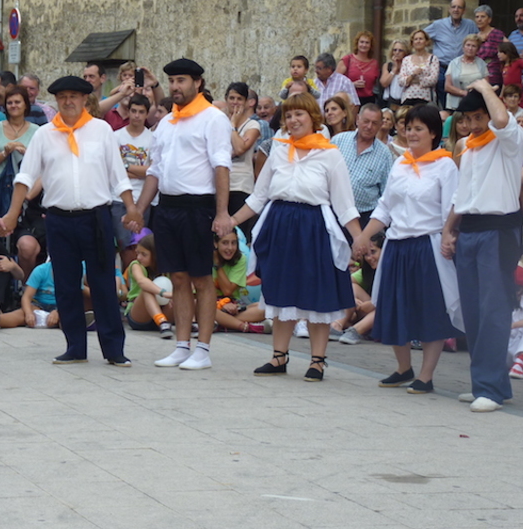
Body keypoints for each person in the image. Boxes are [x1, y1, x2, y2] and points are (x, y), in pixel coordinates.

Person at [0, 75, 143, 366]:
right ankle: (75, 346)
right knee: (65, 285)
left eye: (73, 96)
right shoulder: (45, 134)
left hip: (96, 216)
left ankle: (113, 349)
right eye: (62, 97)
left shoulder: (101, 130)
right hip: (59, 218)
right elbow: (25, 176)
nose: (68, 102)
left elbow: (117, 174)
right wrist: (13, 213)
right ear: (56, 101)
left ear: (84, 99)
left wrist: (131, 208)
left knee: (103, 283)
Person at [231, 93, 362, 381]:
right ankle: (279, 356)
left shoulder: (329, 154)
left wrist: (359, 237)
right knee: (281, 291)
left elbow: (344, 203)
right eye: (288, 116)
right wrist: (231, 221)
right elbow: (259, 196)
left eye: (299, 114)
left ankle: (317, 361)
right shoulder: (279, 150)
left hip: (314, 228)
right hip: (280, 225)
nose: (293, 120)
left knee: (317, 293)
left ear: (313, 117)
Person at [352, 104, 462, 394]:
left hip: (427, 245)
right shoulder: (400, 163)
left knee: (429, 309)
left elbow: (452, 207)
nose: (412, 134)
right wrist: (363, 237)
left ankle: (426, 375)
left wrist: (449, 236)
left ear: (433, 133)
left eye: (418, 129)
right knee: (394, 306)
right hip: (397, 245)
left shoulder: (445, 165)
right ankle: (403, 368)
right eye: (408, 128)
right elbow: (385, 207)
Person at [133, 59, 232, 370]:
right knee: (177, 277)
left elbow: (221, 166)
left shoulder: (213, 118)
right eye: (172, 81)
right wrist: (139, 209)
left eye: (181, 80)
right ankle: (181, 344)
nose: (175, 86)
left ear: (197, 83)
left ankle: (203, 349)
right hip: (168, 207)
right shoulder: (166, 122)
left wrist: (222, 213)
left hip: (198, 206)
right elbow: (155, 171)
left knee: (202, 278)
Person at [441, 79, 523, 412]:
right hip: (470, 230)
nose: (474, 124)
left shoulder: (510, 139)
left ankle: (489, 388)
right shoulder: (467, 145)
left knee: (493, 310)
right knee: (474, 311)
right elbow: (462, 194)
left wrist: (484, 87)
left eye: (479, 117)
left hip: (498, 230)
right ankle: (490, 383)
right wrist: (449, 229)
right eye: (469, 119)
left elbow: (501, 120)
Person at [332, 103, 393, 228]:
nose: (369, 127)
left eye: (374, 123)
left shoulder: (385, 154)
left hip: (363, 218)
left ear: (380, 125)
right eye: (366, 121)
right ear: (357, 119)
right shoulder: (338, 141)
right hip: (333, 212)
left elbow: (386, 193)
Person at [113, 94, 154, 270]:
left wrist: (126, 167)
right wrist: (140, 171)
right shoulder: (115, 136)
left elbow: (152, 171)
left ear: (147, 114)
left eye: (141, 112)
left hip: (143, 198)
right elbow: (112, 170)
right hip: (118, 198)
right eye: (134, 111)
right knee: (124, 246)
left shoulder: (153, 138)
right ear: (128, 112)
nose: (137, 115)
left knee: (140, 245)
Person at [0, 85, 39, 212]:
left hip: (25, 189)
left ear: (25, 105)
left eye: (17, 102)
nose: (13, 106)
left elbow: (40, 164)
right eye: (10, 103)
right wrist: (6, 152)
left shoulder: (36, 130)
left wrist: (24, 151)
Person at [424, 0, 479, 108]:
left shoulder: (470, 25)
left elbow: (479, 40)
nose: (456, 10)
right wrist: (424, 57)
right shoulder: (438, 25)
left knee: (463, 100)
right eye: (453, 7)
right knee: (445, 101)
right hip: (443, 68)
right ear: (449, 9)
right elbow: (420, 37)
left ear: (464, 10)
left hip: (462, 68)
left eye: (459, 7)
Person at [212, 230, 267, 333]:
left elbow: (227, 291)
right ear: (215, 244)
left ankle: (220, 322)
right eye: (225, 243)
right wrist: (220, 304)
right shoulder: (203, 258)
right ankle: (244, 326)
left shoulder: (240, 259)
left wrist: (218, 264)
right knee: (203, 308)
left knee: (264, 309)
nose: (230, 248)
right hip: (208, 303)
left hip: (232, 305)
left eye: (233, 243)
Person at [225, 82, 260, 239]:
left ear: (246, 102)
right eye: (232, 98)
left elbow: (240, 149)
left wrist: (233, 125)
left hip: (241, 185)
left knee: (238, 234)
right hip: (220, 183)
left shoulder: (252, 125)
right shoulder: (219, 122)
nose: (235, 102)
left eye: (239, 99)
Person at [123, 233, 173, 338]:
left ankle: (191, 323)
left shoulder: (166, 267)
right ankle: (162, 322)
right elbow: (142, 281)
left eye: (144, 254)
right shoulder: (136, 265)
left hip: (164, 310)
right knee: (146, 289)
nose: (139, 257)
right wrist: (163, 293)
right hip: (139, 316)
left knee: (180, 294)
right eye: (137, 253)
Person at [444, 34, 488, 111]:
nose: (470, 48)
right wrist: (464, 93)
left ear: (478, 49)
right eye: (468, 45)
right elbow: (447, 87)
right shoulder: (453, 63)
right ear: (463, 47)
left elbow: (486, 85)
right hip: (456, 105)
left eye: (474, 46)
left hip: (476, 103)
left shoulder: (482, 64)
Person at [336, 31, 380, 104]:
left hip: (369, 101)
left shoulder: (374, 63)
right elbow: (336, 81)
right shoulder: (347, 59)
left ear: (371, 45)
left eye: (367, 43)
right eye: (362, 42)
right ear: (357, 43)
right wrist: (352, 84)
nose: (364, 45)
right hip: (350, 100)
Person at [397, 30, 440, 105]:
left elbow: (433, 79)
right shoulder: (406, 59)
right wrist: (413, 75)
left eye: (421, 39)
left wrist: (414, 81)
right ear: (412, 43)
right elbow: (401, 81)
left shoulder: (433, 59)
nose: (418, 41)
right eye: (416, 39)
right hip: (408, 98)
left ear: (426, 42)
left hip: (426, 98)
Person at [474, 5, 506, 87]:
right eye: (477, 17)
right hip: (477, 74)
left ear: (489, 19)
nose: (479, 19)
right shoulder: (475, 36)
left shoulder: (497, 34)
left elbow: (510, 50)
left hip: (493, 75)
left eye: (483, 17)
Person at [379, 40, 410, 107]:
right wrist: (394, 70)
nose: (397, 52)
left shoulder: (409, 66)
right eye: (395, 50)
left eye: (400, 50)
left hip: (405, 102)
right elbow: (384, 83)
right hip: (390, 102)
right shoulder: (388, 66)